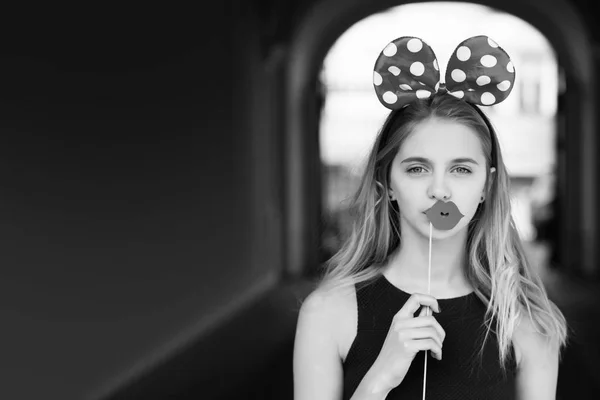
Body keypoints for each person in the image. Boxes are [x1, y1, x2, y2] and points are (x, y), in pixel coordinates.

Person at [293, 36, 567, 400]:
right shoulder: (326, 313)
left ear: (487, 186)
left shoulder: (528, 321)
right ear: (387, 183)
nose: (440, 190)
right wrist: (380, 378)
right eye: (418, 168)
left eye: (461, 170)